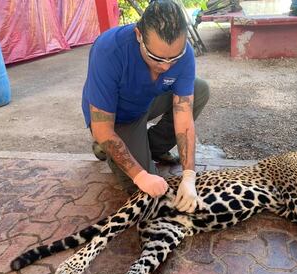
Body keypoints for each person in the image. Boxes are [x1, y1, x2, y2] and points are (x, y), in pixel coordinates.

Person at [81, 0, 209, 213]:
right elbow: (103, 127)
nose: (166, 66)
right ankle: (107, 147)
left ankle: (151, 147)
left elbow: (183, 115)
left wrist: (189, 175)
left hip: (147, 100)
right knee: (146, 192)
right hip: (116, 116)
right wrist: (140, 175)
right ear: (139, 35)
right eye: (156, 57)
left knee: (201, 89)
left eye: (174, 58)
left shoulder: (184, 54)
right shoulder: (109, 50)